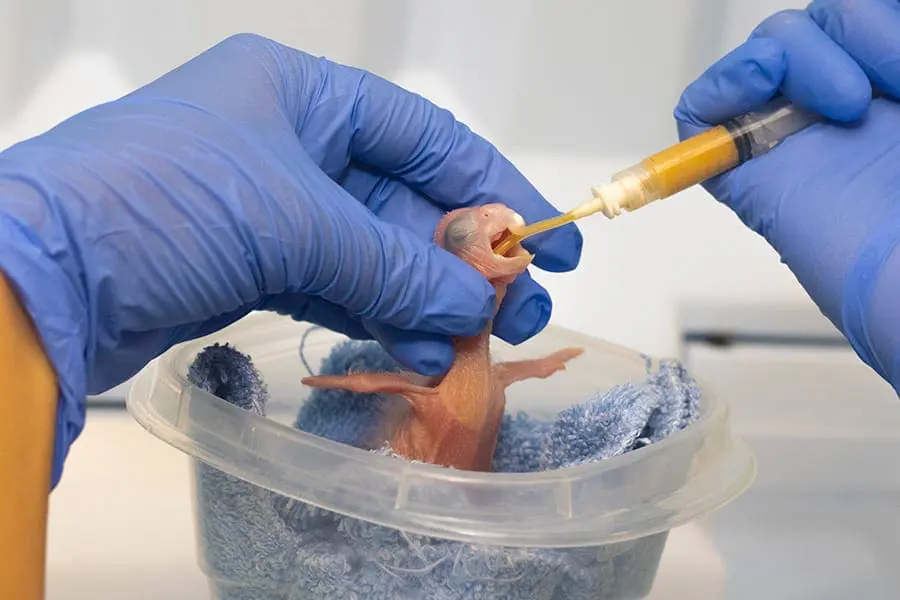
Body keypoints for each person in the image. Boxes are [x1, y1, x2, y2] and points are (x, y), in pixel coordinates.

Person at [1, 0, 898, 596]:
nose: (491, 241)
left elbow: (495, 385)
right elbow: (416, 389)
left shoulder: (461, 342)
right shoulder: (431, 341)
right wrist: (47, 264)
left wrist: (40, 273)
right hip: (422, 477)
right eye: (469, 241)